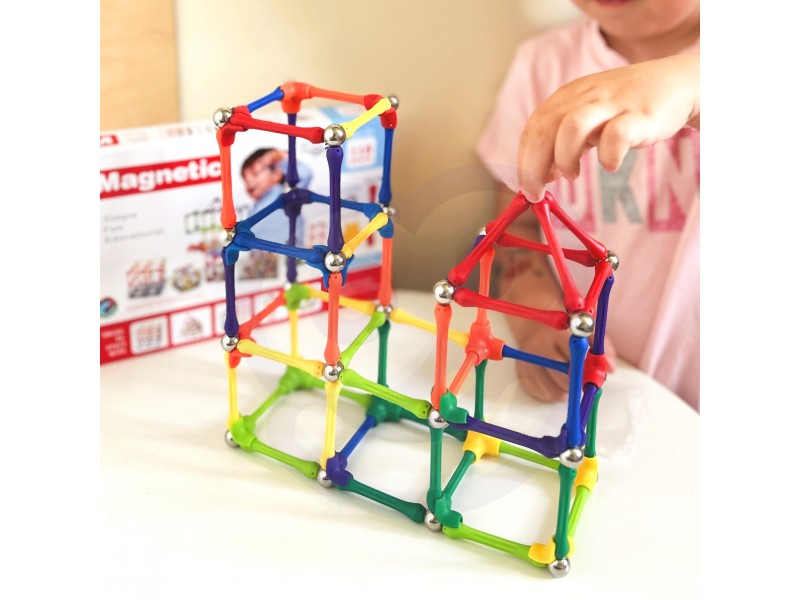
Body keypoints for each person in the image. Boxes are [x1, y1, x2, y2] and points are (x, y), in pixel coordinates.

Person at [476, 0, 700, 410]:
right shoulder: (542, 65)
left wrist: (694, 81)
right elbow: (514, 228)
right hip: (588, 397)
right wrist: (538, 317)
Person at [241, 147, 312, 245]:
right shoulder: (253, 209)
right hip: (261, 253)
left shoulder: (286, 193)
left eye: (255, 174)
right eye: (245, 179)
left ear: (276, 173)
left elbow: (305, 174)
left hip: (288, 252)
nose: (249, 181)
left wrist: (280, 157)